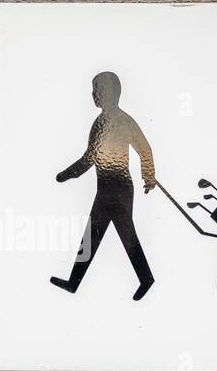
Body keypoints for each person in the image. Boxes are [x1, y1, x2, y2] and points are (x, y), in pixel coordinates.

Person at [51, 71, 156, 301]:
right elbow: (91, 157)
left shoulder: (117, 121)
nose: (92, 95)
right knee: (92, 236)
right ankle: (74, 282)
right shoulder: (104, 122)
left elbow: (141, 150)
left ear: (106, 93)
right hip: (106, 189)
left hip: (118, 189)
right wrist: (67, 174)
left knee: (126, 235)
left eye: (95, 90)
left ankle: (146, 279)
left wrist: (148, 177)